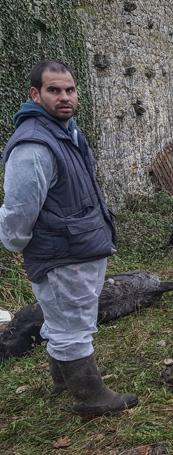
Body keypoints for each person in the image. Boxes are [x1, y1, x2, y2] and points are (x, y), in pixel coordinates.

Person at [0, 60, 137, 415]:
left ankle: (66, 379)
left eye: (70, 90)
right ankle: (90, 396)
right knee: (71, 325)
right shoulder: (34, 145)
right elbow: (19, 210)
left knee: (66, 320)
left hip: (76, 247)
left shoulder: (66, 131)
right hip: (63, 254)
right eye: (54, 90)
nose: (64, 97)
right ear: (35, 94)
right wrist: (16, 244)